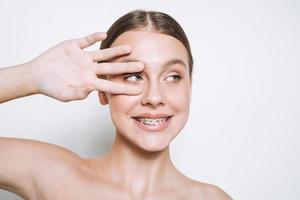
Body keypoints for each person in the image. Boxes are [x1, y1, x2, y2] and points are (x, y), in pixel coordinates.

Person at [0, 10, 232, 200]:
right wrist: (30, 76)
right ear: (102, 90)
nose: (154, 97)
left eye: (172, 77)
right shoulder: (53, 174)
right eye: (133, 75)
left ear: (189, 88)